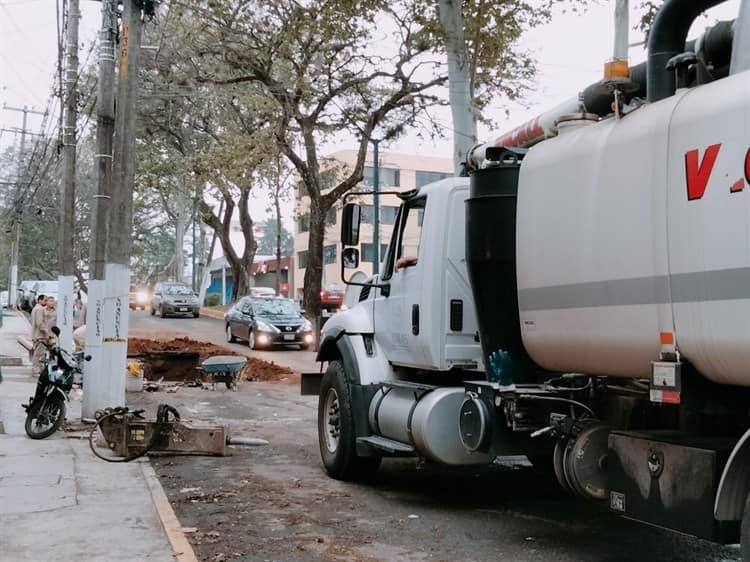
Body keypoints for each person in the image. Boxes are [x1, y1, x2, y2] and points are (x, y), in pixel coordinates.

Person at [30, 294, 50, 374]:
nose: (46, 302)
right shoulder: (40, 309)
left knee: (37, 353)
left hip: (36, 335)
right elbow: (40, 323)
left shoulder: (35, 308)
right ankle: (36, 370)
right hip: (40, 336)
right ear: (39, 300)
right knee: (38, 354)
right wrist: (46, 332)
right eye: (45, 300)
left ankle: (36, 369)